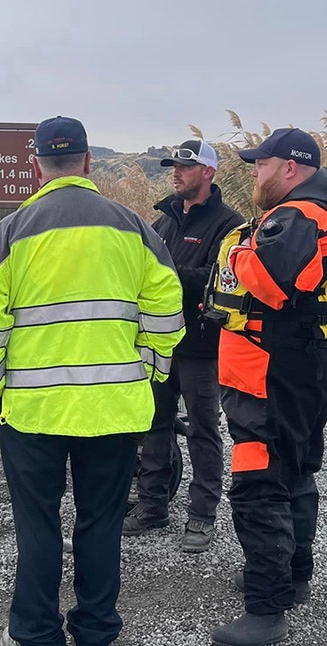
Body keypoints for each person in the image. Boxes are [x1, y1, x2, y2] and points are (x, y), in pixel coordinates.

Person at [0, 116, 184, 646]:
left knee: (38, 528)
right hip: (113, 411)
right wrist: (146, 374)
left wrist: (1, 390)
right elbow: (168, 315)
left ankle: (37, 643)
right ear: (87, 162)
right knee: (101, 525)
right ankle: (95, 639)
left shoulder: (10, 231)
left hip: (32, 413)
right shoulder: (137, 229)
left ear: (37, 165)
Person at [208, 128, 327, 646]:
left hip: (269, 369)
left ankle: (265, 608)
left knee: (259, 482)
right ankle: (293, 577)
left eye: (261, 164)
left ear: (290, 168)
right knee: (295, 469)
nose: (254, 172)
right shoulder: (324, 213)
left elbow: (269, 283)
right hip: (300, 363)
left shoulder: (297, 216)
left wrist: (235, 250)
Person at [123, 140, 245, 553]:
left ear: (208, 172)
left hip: (202, 347)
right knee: (154, 424)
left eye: (185, 167)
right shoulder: (164, 221)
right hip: (160, 341)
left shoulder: (231, 224)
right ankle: (153, 504)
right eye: (173, 166)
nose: (175, 173)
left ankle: (203, 512)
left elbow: (221, 279)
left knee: (203, 428)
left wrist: (166, 274)